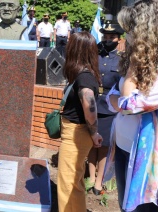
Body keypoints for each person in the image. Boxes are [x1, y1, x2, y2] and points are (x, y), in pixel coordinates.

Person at [104, 0, 158, 211]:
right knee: (125, 206)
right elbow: (111, 97)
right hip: (125, 147)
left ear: (149, 31)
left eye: (132, 30)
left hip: (150, 160)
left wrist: (131, 71)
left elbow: (129, 104)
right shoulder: (146, 60)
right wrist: (119, 100)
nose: (127, 36)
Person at [58, 32, 103, 212]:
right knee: (74, 183)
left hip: (76, 133)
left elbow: (89, 106)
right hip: (76, 132)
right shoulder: (83, 74)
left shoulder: (84, 77)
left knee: (67, 185)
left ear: (76, 49)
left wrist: (94, 133)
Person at [86, 20, 123, 196]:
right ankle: (91, 177)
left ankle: (100, 180)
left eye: (112, 37)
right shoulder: (95, 54)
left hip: (109, 106)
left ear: (118, 39)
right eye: (105, 36)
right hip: (93, 102)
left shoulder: (123, 60)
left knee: (105, 145)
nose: (108, 39)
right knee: (91, 143)